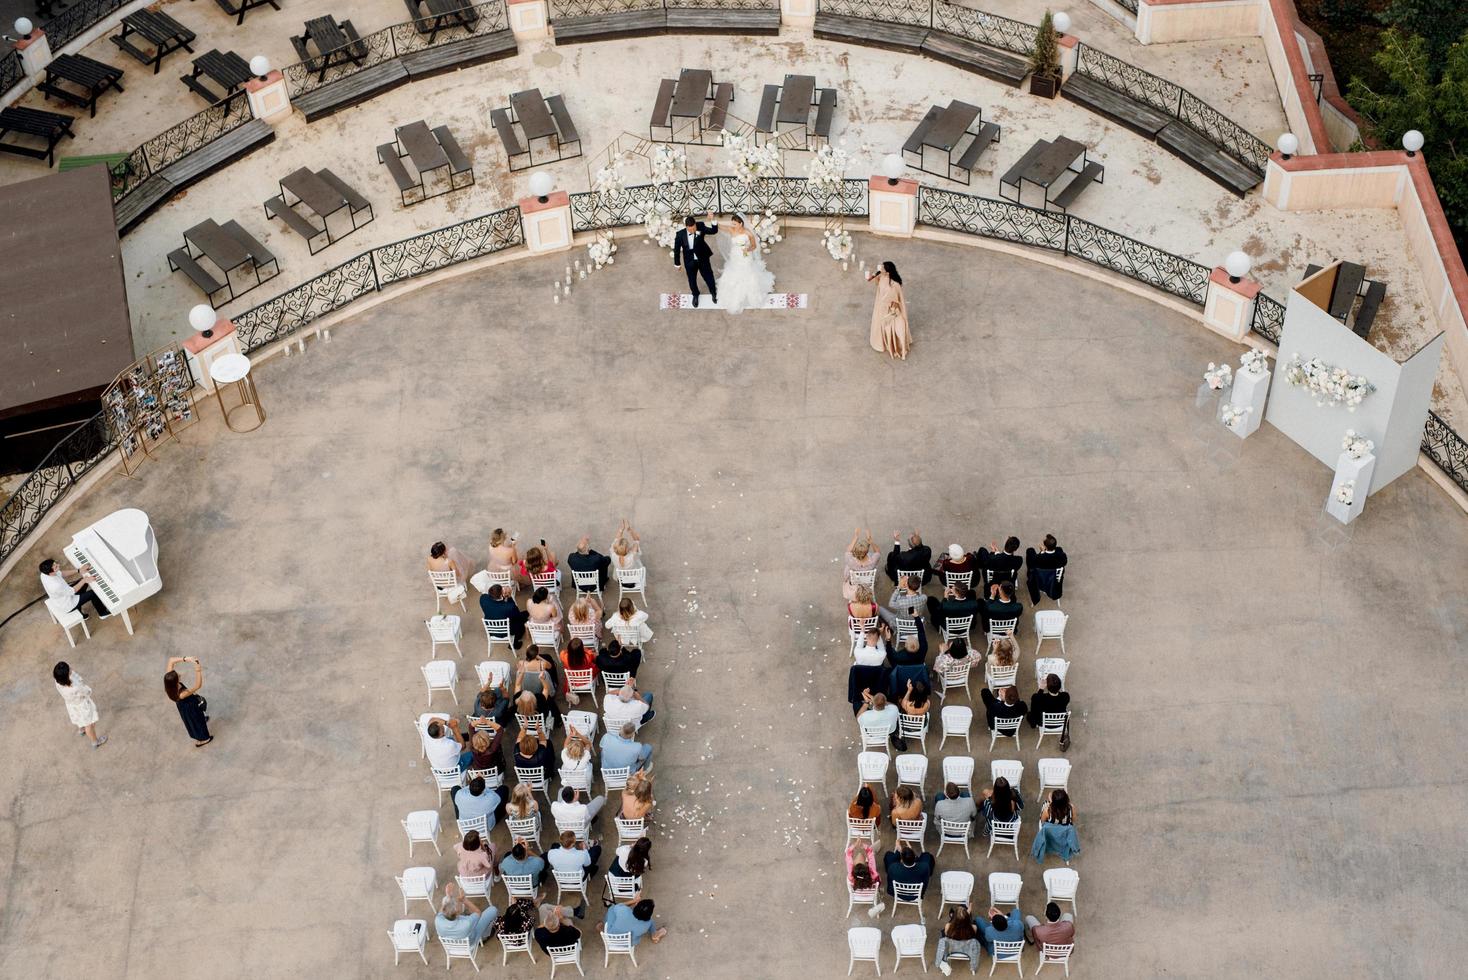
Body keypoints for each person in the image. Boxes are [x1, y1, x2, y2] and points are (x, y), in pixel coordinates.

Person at [715, 212, 774, 314]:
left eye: (735, 224)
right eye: (732, 223)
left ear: (740, 224)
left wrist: (748, 249)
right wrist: (713, 220)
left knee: (747, 271)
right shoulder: (731, 230)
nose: (733, 225)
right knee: (734, 271)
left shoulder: (748, 233)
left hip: (745, 256)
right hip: (734, 255)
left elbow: (754, 246)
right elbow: (720, 226)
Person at [52, 661, 106, 748]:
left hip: (71, 705)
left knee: (77, 717)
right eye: (69, 669)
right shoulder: (76, 687)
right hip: (82, 706)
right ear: (67, 676)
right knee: (89, 724)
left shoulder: (57, 682)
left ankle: (81, 729)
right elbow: (87, 692)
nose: (70, 668)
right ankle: (95, 742)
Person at [546, 830, 601, 914]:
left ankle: (592, 870)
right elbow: (587, 864)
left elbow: (551, 862)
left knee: (554, 845)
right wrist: (584, 850)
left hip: (562, 879)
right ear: (572, 844)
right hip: (578, 878)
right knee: (597, 849)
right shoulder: (581, 854)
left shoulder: (551, 853)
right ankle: (592, 870)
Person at [672, 211, 719, 307]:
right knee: (692, 280)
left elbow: (714, 231)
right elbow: (676, 250)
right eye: (690, 229)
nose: (693, 230)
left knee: (708, 276)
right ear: (686, 227)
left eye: (694, 228)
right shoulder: (680, 235)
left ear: (695, 224)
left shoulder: (700, 226)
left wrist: (712, 219)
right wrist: (677, 263)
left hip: (703, 257)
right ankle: (695, 295)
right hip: (689, 261)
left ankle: (713, 292)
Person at [39, 557, 109, 620]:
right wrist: (84, 580)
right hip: (67, 604)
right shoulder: (55, 586)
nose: (58, 565)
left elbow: (62, 573)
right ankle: (102, 613)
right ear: (51, 573)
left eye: (56, 564)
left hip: (63, 595)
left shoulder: (44, 574)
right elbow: (72, 591)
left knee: (83, 582)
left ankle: (80, 610)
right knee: (93, 593)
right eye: (56, 567)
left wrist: (79, 570)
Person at [867, 260, 911, 360]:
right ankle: (880, 342)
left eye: (882, 269)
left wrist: (889, 306)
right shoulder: (882, 277)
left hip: (888, 308)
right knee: (879, 322)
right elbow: (877, 284)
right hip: (880, 305)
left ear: (887, 272)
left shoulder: (894, 285)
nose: (880, 269)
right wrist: (874, 276)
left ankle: (892, 345)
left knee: (886, 323)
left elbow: (896, 299)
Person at [164, 656, 211, 746]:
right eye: (178, 677)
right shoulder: (181, 694)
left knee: (198, 718)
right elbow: (197, 686)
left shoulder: (169, 679)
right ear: (175, 683)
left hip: (187, 702)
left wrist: (186, 659)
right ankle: (204, 739)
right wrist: (198, 670)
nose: (179, 675)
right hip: (188, 707)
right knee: (195, 720)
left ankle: (202, 720)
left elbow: (171, 660)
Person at [435, 881, 497, 949]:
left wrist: (448, 896)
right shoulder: (467, 923)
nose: (458, 901)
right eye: (457, 903)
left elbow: (443, 909)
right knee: (493, 910)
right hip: (470, 942)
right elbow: (478, 912)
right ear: (457, 912)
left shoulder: (438, 920)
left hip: (453, 945)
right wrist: (464, 900)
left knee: (472, 917)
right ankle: (484, 935)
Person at [1032, 790, 1081, 863]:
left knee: (1045, 803)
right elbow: (1073, 820)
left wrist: (1050, 801)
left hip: (1050, 834)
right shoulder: (1071, 808)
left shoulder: (1047, 810)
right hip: (1064, 835)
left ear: (1053, 802)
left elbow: (1042, 821)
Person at [934, 904, 982, 975]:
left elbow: (947, 935)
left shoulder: (948, 926)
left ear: (954, 918)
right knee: (972, 921)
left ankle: (953, 916)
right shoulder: (974, 927)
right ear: (967, 919)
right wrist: (968, 914)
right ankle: (964, 915)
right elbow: (967, 927)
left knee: (943, 932)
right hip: (966, 949)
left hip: (952, 949)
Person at [1025, 534, 1068, 606]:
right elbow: (1064, 562)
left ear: (1045, 546)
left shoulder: (1038, 558)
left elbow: (1034, 562)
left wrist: (1042, 552)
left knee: (1030, 550)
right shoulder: (1061, 556)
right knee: (1060, 549)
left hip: (1040, 581)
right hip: (1054, 579)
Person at [846, 841, 884, 914]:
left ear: (853, 868)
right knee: (878, 877)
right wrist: (865, 846)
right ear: (866, 868)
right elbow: (870, 853)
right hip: (871, 895)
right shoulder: (873, 874)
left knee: (859, 855)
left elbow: (848, 854)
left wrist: (855, 844)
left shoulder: (851, 876)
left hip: (857, 896)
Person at [893, 678, 930, 751]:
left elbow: (903, 702)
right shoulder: (927, 703)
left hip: (907, 727)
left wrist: (909, 690)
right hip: (920, 726)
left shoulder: (907, 705)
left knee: (900, 700)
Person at [843, 528, 879, 601]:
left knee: (847, 567)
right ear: (867, 552)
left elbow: (848, 551)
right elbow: (877, 551)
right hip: (868, 580)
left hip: (855, 581)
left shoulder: (851, 561)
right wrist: (870, 540)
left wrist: (856, 537)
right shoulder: (873, 560)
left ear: (855, 550)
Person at [560, 636, 598, 704]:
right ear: (581, 649)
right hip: (586, 679)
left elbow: (563, 652)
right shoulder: (587, 657)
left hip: (573, 681)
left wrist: (571, 647)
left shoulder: (564, 656)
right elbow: (593, 656)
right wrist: (586, 650)